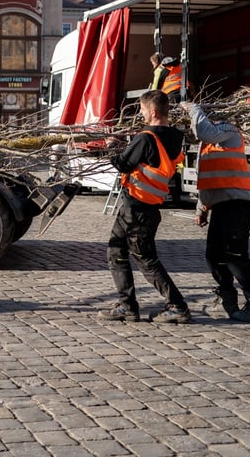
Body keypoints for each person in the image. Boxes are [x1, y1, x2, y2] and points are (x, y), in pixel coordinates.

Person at [100, 89, 193, 324]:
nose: (140, 114)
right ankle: (126, 305)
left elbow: (122, 164)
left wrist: (111, 145)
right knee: (116, 250)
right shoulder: (175, 136)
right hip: (146, 207)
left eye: (142, 109)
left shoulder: (145, 138)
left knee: (145, 259)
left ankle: (177, 306)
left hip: (136, 209)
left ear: (152, 112)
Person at [181, 101, 250, 322]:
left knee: (235, 257)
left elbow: (204, 131)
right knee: (214, 257)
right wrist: (202, 208)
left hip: (237, 205)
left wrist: (193, 109)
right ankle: (227, 299)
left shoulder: (229, 132)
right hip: (221, 207)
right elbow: (207, 179)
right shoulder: (209, 144)